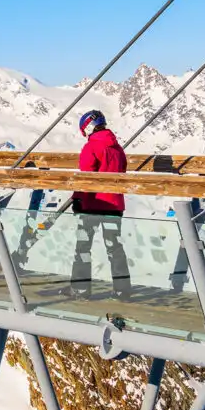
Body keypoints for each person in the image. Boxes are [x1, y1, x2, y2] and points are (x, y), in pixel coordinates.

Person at [70, 110, 131, 300]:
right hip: (114, 205)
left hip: (92, 204)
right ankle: (122, 290)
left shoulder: (91, 147)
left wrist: (77, 199)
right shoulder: (117, 148)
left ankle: (80, 289)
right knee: (115, 248)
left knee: (83, 246)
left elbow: (85, 178)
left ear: (87, 127)